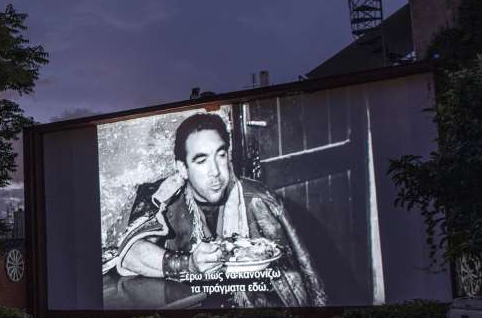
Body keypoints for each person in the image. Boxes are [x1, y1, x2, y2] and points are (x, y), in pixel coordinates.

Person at [105, 112, 326, 307]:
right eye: (201, 161)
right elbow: (131, 254)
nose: (215, 172)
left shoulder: (259, 200)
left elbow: (296, 286)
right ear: (182, 168)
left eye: (220, 155)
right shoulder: (162, 195)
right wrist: (189, 264)